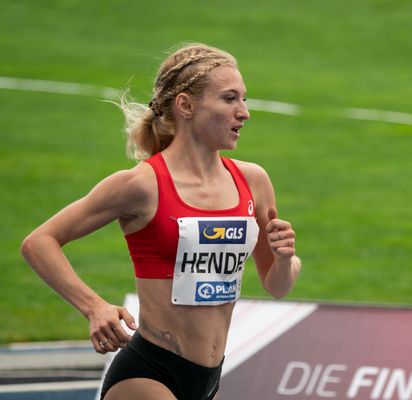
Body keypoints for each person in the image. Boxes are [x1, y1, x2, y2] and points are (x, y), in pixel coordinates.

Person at [20, 42, 301, 400]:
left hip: (208, 378)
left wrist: (284, 258)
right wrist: (94, 307)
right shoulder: (141, 184)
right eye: (230, 99)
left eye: (244, 99)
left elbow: (278, 286)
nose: (244, 112)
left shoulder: (253, 181)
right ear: (185, 105)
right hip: (149, 374)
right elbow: (39, 242)